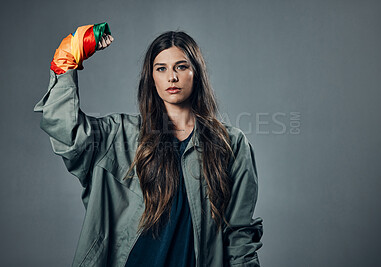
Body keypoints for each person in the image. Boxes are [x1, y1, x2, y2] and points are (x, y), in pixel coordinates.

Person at [34, 22, 263, 267]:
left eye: (181, 67)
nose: (172, 77)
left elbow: (239, 235)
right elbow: (66, 131)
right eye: (161, 68)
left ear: (196, 73)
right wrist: (66, 59)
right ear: (151, 77)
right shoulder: (120, 135)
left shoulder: (231, 144)